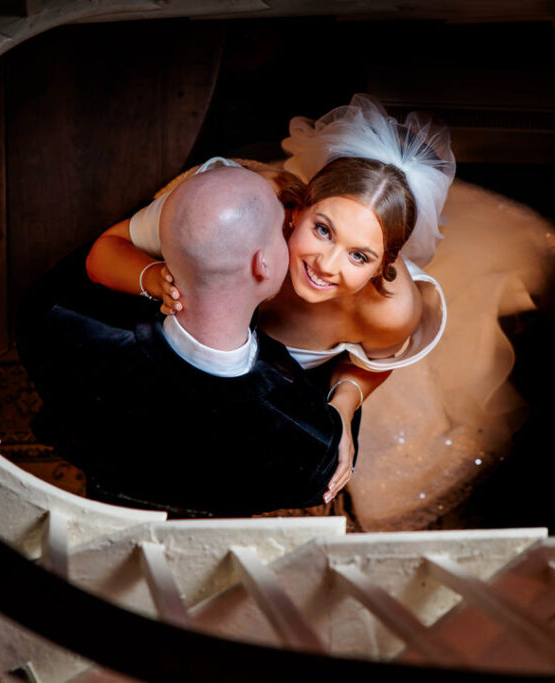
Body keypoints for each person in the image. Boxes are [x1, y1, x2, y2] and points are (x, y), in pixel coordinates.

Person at [86, 95, 454, 507]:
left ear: (383, 264)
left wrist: (343, 411)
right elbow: (104, 250)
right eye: (323, 230)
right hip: (183, 345)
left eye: (359, 256)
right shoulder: (242, 208)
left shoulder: (392, 311)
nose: (327, 265)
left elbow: (368, 364)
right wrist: (154, 278)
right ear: (297, 211)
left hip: (279, 387)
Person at [17, 164, 352, 517]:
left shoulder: (52, 324)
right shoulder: (315, 445)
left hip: (107, 463)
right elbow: (311, 483)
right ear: (263, 264)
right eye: (281, 233)